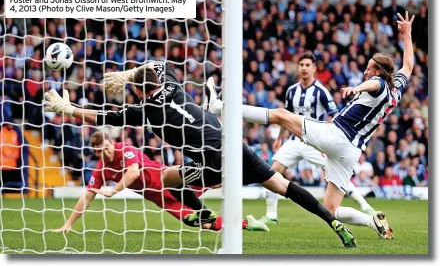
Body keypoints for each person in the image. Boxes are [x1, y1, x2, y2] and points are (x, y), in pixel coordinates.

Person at [44, 61, 356, 247]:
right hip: (233, 144)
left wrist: (68, 108)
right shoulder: (173, 84)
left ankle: (205, 216)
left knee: (168, 178)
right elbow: (159, 66)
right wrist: (129, 74)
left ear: (139, 92)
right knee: (282, 185)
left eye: (132, 88)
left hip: (213, 160)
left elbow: (103, 118)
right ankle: (332, 221)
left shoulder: (147, 110)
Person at [206, 11, 415, 239]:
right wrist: (407, 35)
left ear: (379, 72)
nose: (365, 71)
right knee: (331, 208)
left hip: (337, 135)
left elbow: (374, 84)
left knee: (280, 115)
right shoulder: (396, 89)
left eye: (369, 68)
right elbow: (409, 66)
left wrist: (357, 88)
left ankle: (218, 106)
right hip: (351, 152)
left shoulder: (379, 84)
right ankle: (371, 220)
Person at [231, 52, 377, 225]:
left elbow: (334, 116)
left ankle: (365, 205)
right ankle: (271, 215)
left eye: (308, 65)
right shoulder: (292, 91)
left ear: (314, 68)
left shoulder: (321, 92)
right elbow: (287, 117)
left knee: (335, 176)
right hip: (294, 141)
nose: (304, 68)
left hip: (316, 143)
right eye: (302, 65)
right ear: (298, 67)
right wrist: (280, 139)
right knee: (272, 171)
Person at [54, 131, 269, 233]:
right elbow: (88, 195)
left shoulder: (125, 150)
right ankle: (246, 223)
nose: (106, 153)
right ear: (94, 152)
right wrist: (68, 223)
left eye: (107, 148)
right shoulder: (101, 168)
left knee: (216, 180)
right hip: (161, 199)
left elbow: (133, 173)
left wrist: (114, 190)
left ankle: (256, 173)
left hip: (173, 181)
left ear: (111, 143)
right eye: (100, 152)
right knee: (202, 223)